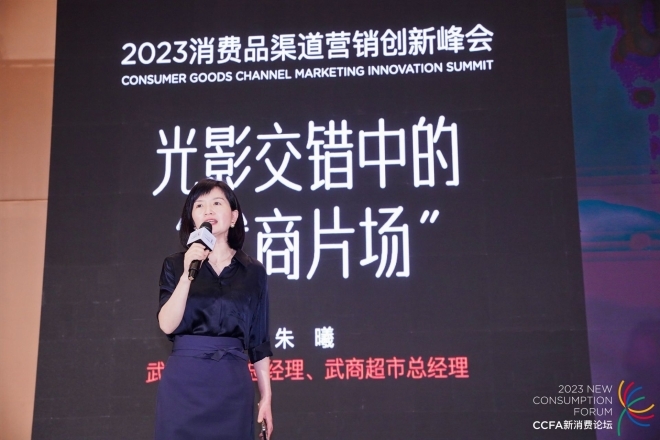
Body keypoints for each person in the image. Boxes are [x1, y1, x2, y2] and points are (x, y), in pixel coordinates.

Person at [155, 178, 273, 440]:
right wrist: (187, 274)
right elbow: (167, 324)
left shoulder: (253, 271)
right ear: (192, 220)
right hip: (184, 382)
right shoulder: (175, 264)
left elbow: (259, 341)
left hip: (232, 382)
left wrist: (266, 397)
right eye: (199, 205)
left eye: (216, 203)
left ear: (234, 217)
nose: (208, 210)